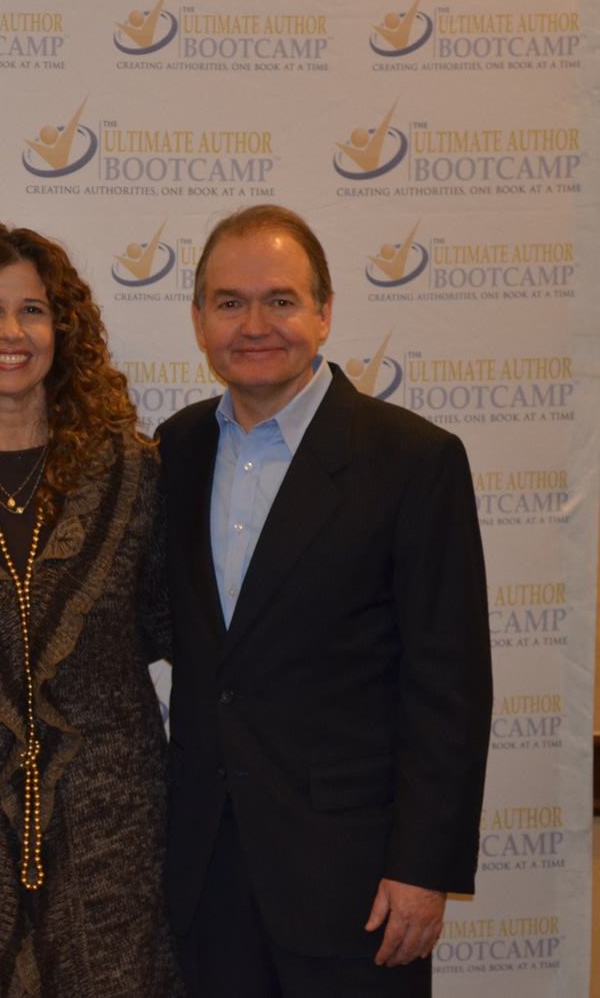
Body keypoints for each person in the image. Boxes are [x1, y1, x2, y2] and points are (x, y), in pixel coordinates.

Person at [158, 205, 491, 996]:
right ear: (199, 321)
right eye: (230, 302)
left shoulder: (413, 460)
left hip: (355, 883)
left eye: (280, 300)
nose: (254, 325)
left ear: (325, 313)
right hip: (205, 879)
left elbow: (449, 686)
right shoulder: (172, 451)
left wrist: (422, 869)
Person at [0, 224, 181, 997]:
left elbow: (172, 628)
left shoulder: (133, 472)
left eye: (33, 311)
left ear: (63, 331)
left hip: (111, 839)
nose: (10, 332)